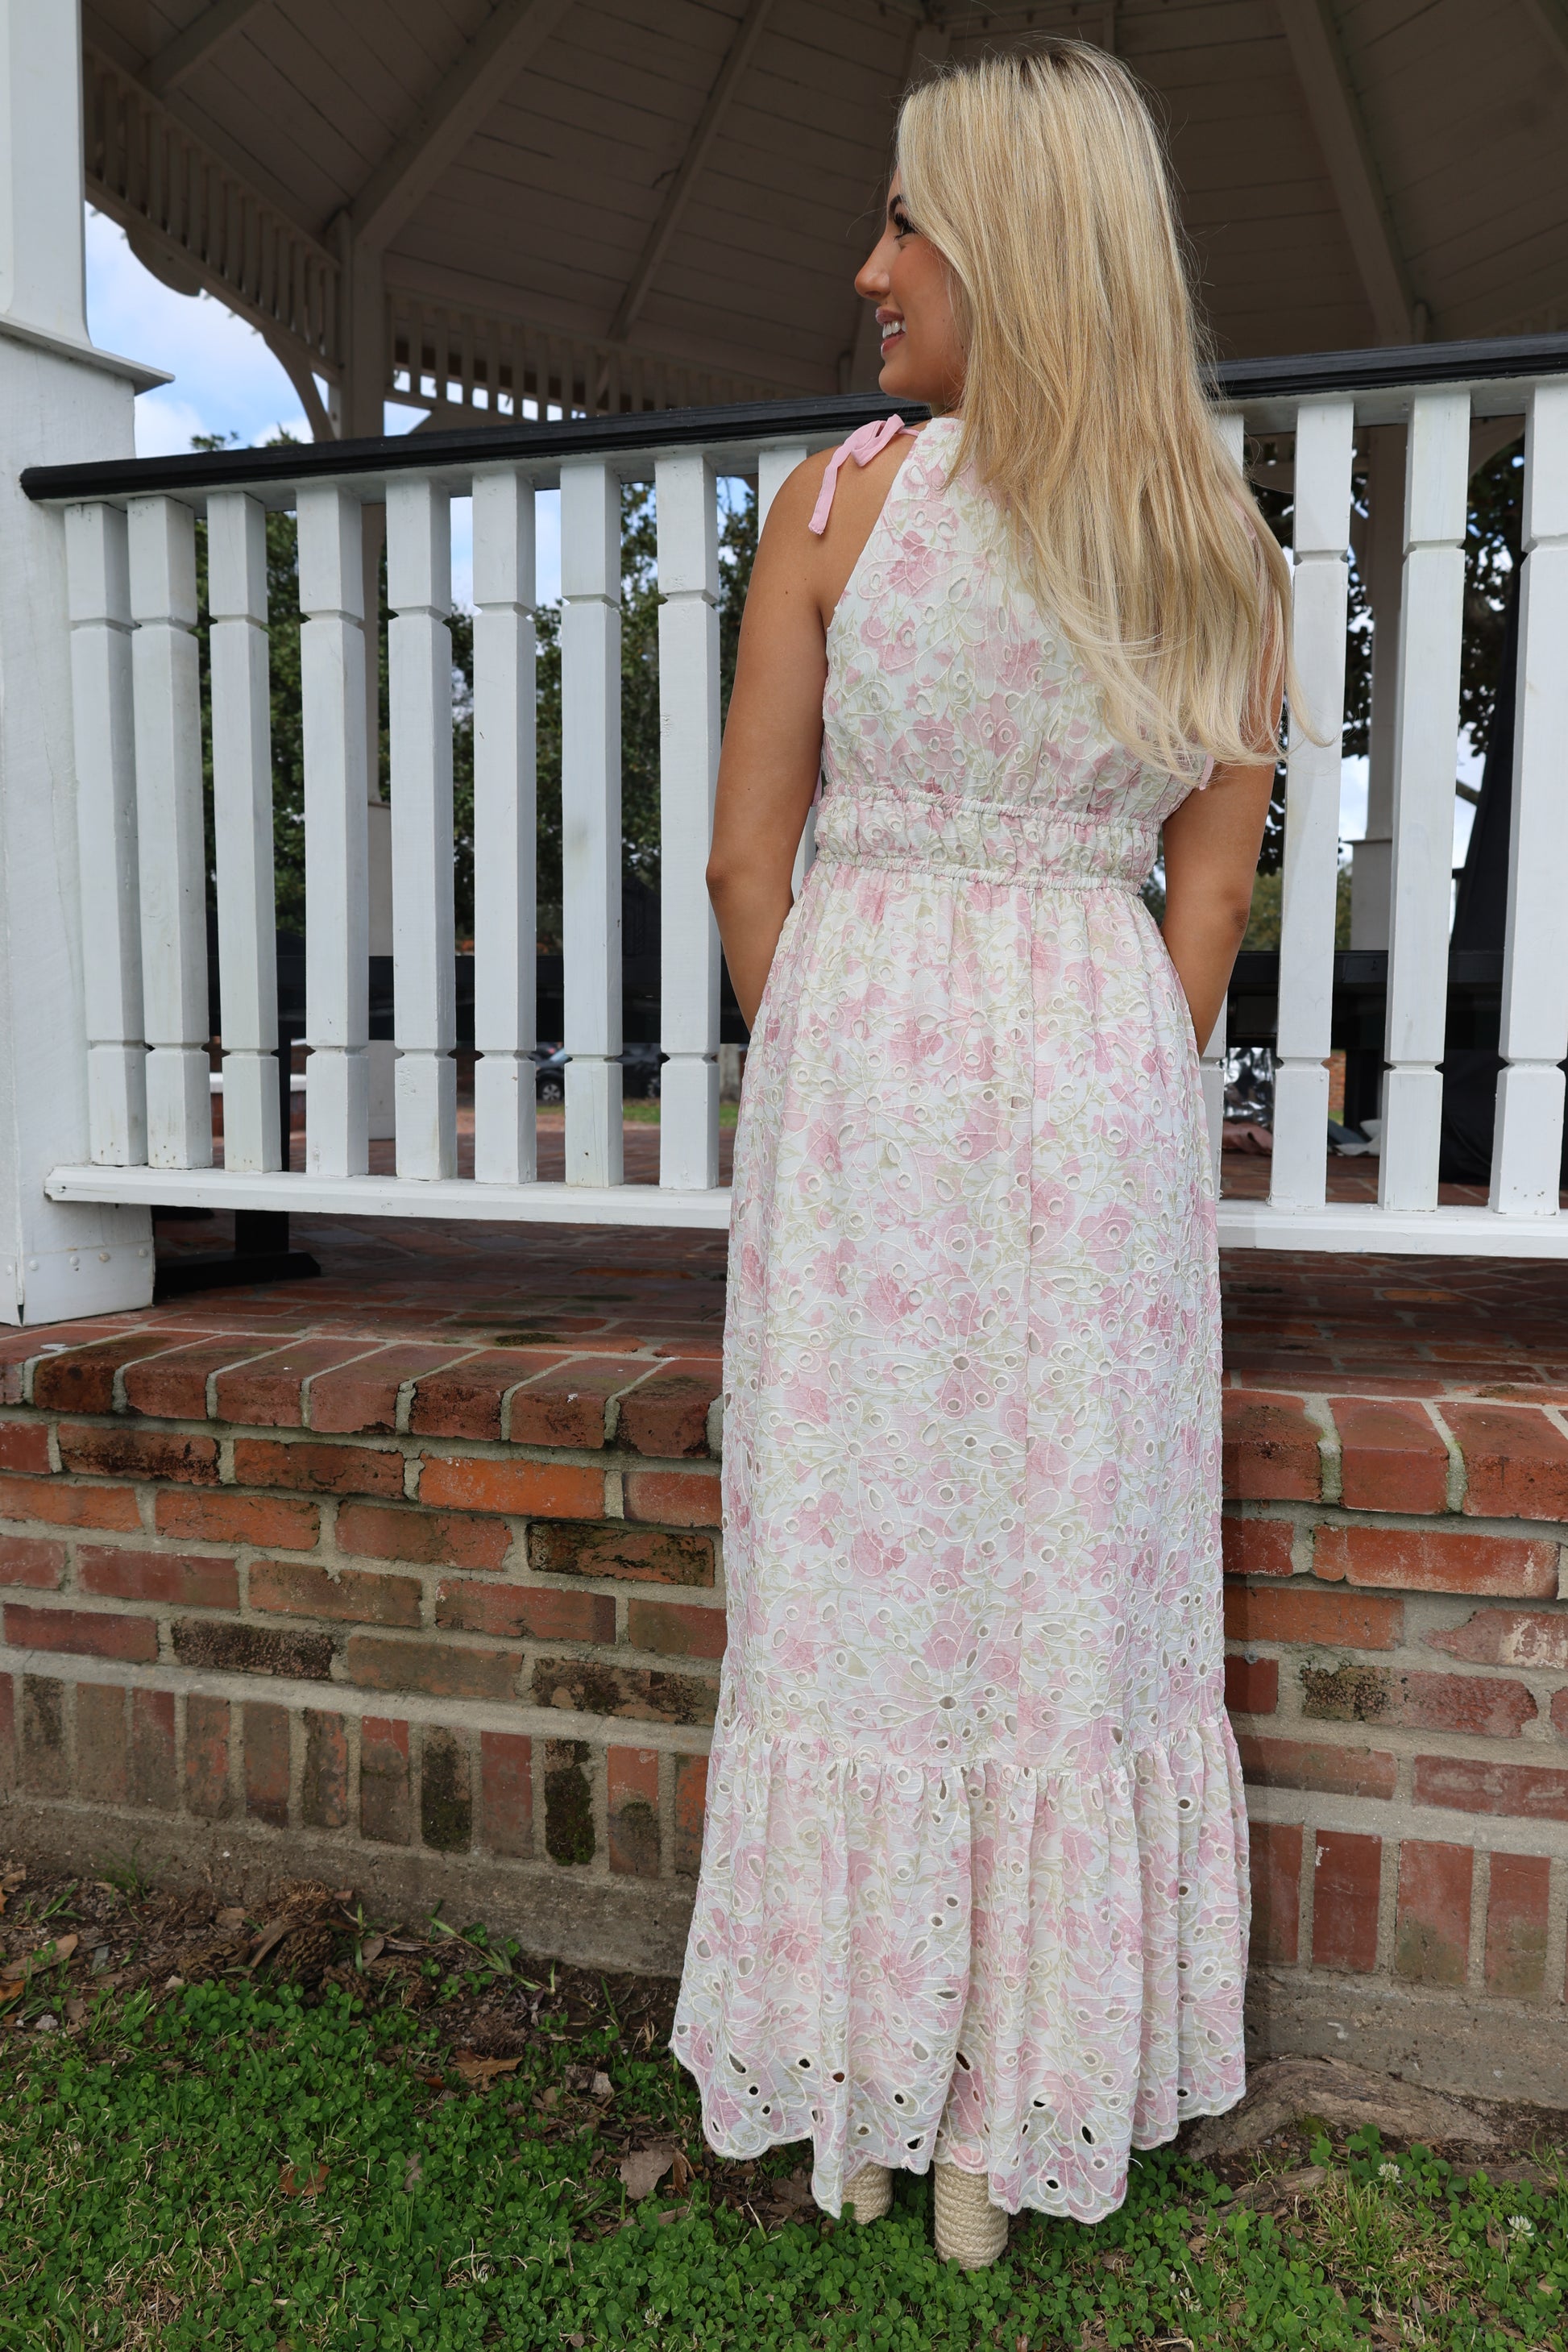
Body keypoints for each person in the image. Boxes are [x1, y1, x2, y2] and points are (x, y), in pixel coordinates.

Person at [671, 39, 1292, 2269]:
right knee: (1063, 1578)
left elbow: (745, 867)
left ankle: (854, 2089)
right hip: (1098, 1094)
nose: (870, 269)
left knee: (854, 1570)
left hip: (864, 1086)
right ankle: (1006, 2110)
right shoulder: (1218, 545)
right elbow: (1205, 906)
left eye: (904, 222)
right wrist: (1092, 1065)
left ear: (1008, 247)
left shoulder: (836, 510)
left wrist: (854, 1055)